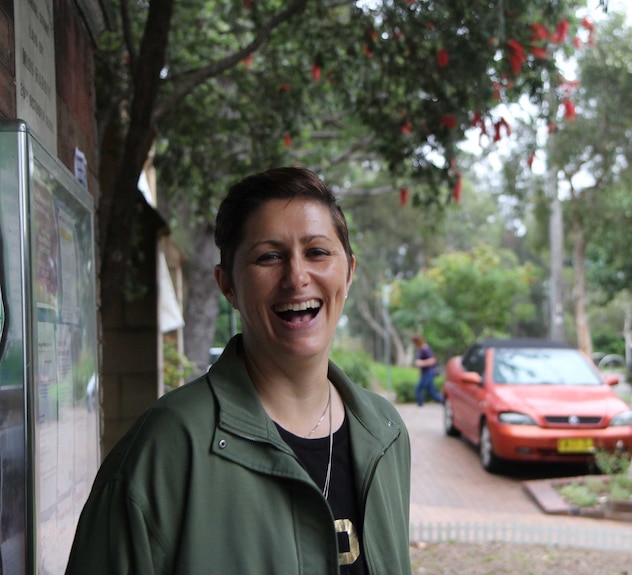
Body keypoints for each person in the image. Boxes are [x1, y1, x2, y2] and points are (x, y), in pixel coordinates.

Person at [66, 167, 413, 574]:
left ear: (349, 272)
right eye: (269, 256)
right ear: (227, 285)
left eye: (317, 252)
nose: (297, 277)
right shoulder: (166, 448)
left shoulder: (385, 433)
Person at [412, 333, 442, 406]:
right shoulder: (421, 349)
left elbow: (432, 360)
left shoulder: (425, 349)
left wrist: (421, 363)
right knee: (430, 391)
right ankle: (444, 401)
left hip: (428, 372)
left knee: (419, 389)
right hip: (425, 372)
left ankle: (420, 404)